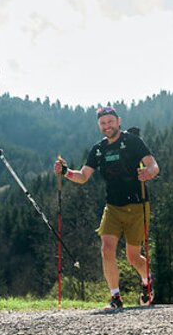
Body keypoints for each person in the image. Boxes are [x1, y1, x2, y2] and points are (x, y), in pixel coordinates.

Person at [54, 106, 160, 310]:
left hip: (137, 205)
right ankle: (115, 297)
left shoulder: (132, 141)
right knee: (107, 248)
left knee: (132, 256)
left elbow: (154, 165)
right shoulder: (98, 149)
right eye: (103, 123)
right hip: (112, 206)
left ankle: (147, 281)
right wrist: (66, 172)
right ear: (99, 126)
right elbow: (83, 176)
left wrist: (149, 173)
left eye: (110, 121)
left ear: (118, 121)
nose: (107, 126)